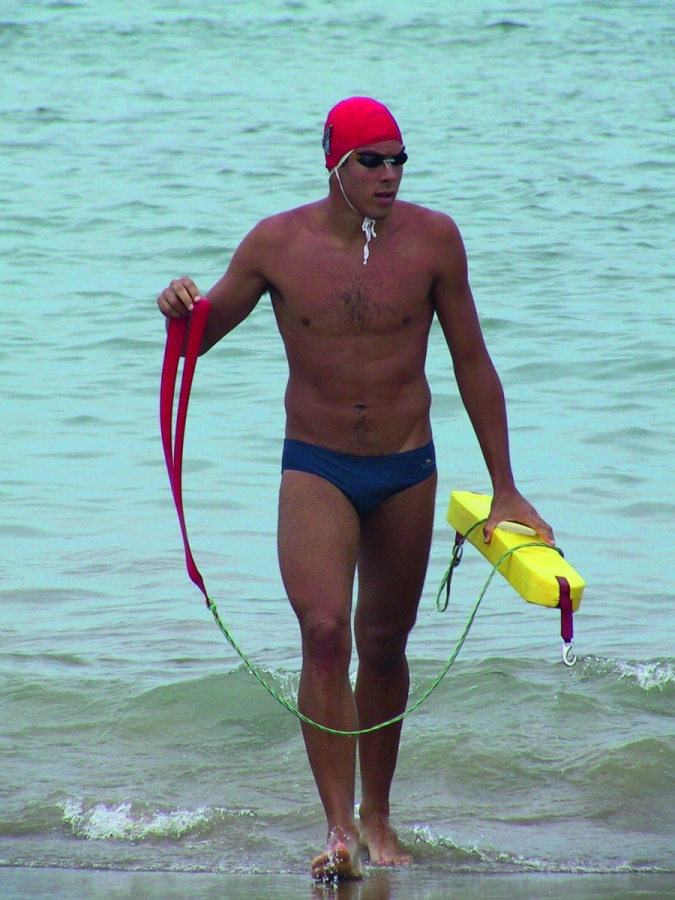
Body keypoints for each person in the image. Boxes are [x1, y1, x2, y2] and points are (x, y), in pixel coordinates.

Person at [157, 97, 554, 880]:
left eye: (399, 159)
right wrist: (179, 308)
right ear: (334, 164)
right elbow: (200, 335)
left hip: (406, 465)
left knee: (381, 644)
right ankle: (338, 830)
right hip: (317, 465)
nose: (389, 175)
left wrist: (505, 487)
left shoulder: (434, 240)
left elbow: (471, 360)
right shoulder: (276, 244)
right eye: (371, 160)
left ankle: (377, 815)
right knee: (322, 631)